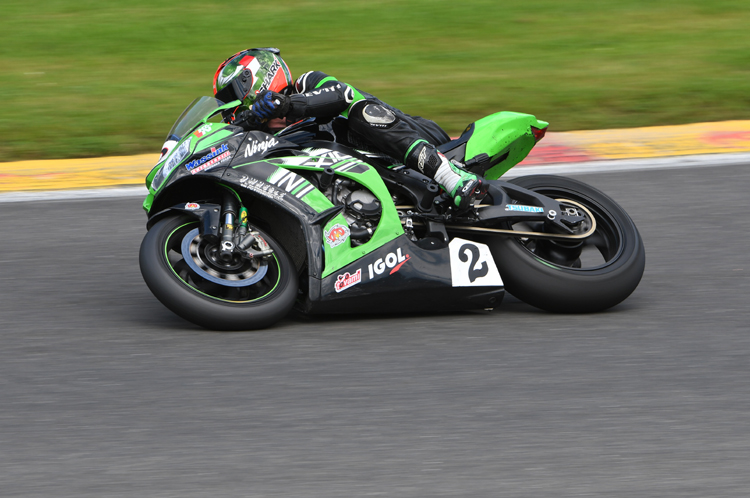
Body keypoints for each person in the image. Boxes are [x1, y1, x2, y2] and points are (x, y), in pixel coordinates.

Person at [212, 47, 487, 211]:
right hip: (373, 181)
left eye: (231, 96)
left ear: (257, 78)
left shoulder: (307, 83)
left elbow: (341, 94)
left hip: (419, 140)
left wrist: (286, 105)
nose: (229, 108)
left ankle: (449, 175)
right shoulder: (267, 139)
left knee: (358, 110)